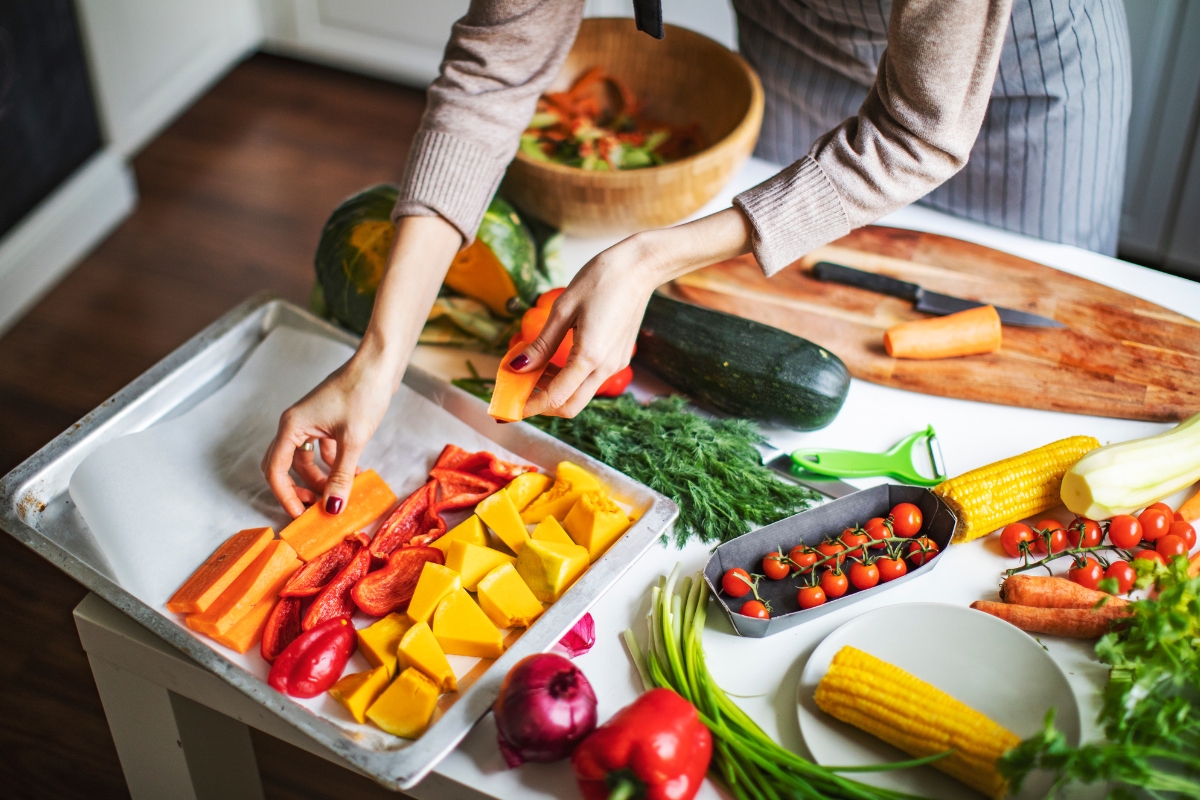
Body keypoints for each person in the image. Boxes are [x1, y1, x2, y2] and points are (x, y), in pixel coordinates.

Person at [262, 0, 1130, 517]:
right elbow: (493, 78)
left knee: (1043, 373)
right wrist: (377, 359)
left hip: (1021, 72)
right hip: (800, 40)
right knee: (793, 263)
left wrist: (646, 260)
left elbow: (919, 130)